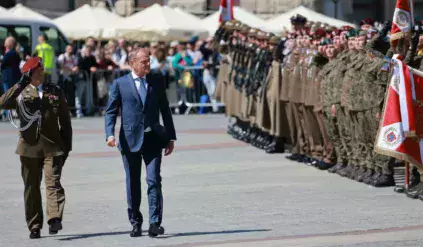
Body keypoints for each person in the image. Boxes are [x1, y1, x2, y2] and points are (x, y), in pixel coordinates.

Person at [104, 48, 176, 238]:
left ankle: (154, 223)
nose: (148, 64)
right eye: (144, 61)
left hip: (153, 139)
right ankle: (136, 222)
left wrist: (170, 137)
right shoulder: (120, 84)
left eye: (149, 61)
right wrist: (109, 134)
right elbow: (111, 111)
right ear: (132, 63)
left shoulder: (156, 81)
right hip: (129, 141)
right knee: (133, 182)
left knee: (153, 180)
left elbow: (165, 110)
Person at [0, 57, 72, 239]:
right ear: (29, 74)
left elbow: (65, 121)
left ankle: (54, 218)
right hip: (28, 147)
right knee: (31, 187)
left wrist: (67, 147)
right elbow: (3, 103)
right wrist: (19, 84)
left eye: (42, 71)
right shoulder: (21, 92)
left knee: (53, 182)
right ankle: (34, 225)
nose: (42, 74)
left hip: (52, 146)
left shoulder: (54, 90)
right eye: (37, 71)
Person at [1, 36, 21, 121]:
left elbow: (2, 65)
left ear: (8, 44)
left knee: (7, 96)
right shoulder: (16, 53)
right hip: (15, 76)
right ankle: (16, 112)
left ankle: (8, 114)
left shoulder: (8, 54)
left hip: (7, 77)